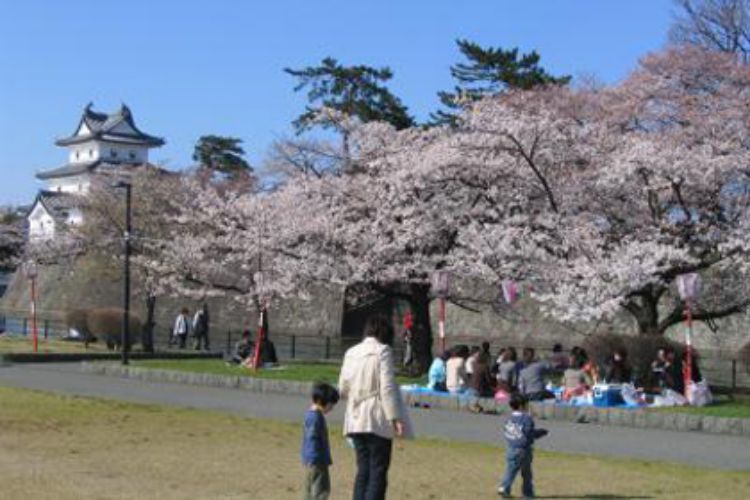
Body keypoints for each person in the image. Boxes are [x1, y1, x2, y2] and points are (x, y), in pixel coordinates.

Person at [338, 315, 406, 500]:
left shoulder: (351, 352)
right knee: (377, 471)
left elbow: (343, 387)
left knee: (363, 469)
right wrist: (395, 418)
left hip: (354, 417)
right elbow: (387, 387)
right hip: (376, 417)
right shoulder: (383, 351)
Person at [498, 393, 548, 498]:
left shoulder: (509, 418)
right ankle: (526, 493)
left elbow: (507, 431)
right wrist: (541, 432)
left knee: (511, 469)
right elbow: (530, 433)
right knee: (526, 473)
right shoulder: (526, 419)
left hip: (511, 448)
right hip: (524, 450)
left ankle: (504, 487)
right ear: (521, 406)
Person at [301, 382, 340, 500]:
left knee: (309, 489)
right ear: (320, 401)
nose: (332, 408)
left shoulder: (309, 415)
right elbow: (312, 438)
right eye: (331, 404)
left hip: (310, 459)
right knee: (321, 490)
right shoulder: (315, 417)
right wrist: (316, 458)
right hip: (317, 460)